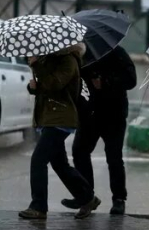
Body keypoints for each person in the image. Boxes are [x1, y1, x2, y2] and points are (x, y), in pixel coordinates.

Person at [19, 43, 100, 220]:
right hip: (49, 117)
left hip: (61, 117)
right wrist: (33, 87)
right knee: (59, 164)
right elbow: (44, 87)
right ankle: (87, 197)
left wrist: (36, 65)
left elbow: (54, 84)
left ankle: (39, 207)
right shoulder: (53, 59)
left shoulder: (69, 61)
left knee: (38, 160)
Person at [61, 45, 137, 215]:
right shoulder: (81, 56)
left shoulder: (116, 52)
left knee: (114, 157)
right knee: (79, 151)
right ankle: (86, 196)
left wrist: (106, 81)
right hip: (90, 114)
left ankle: (119, 199)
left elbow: (131, 80)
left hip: (113, 115)